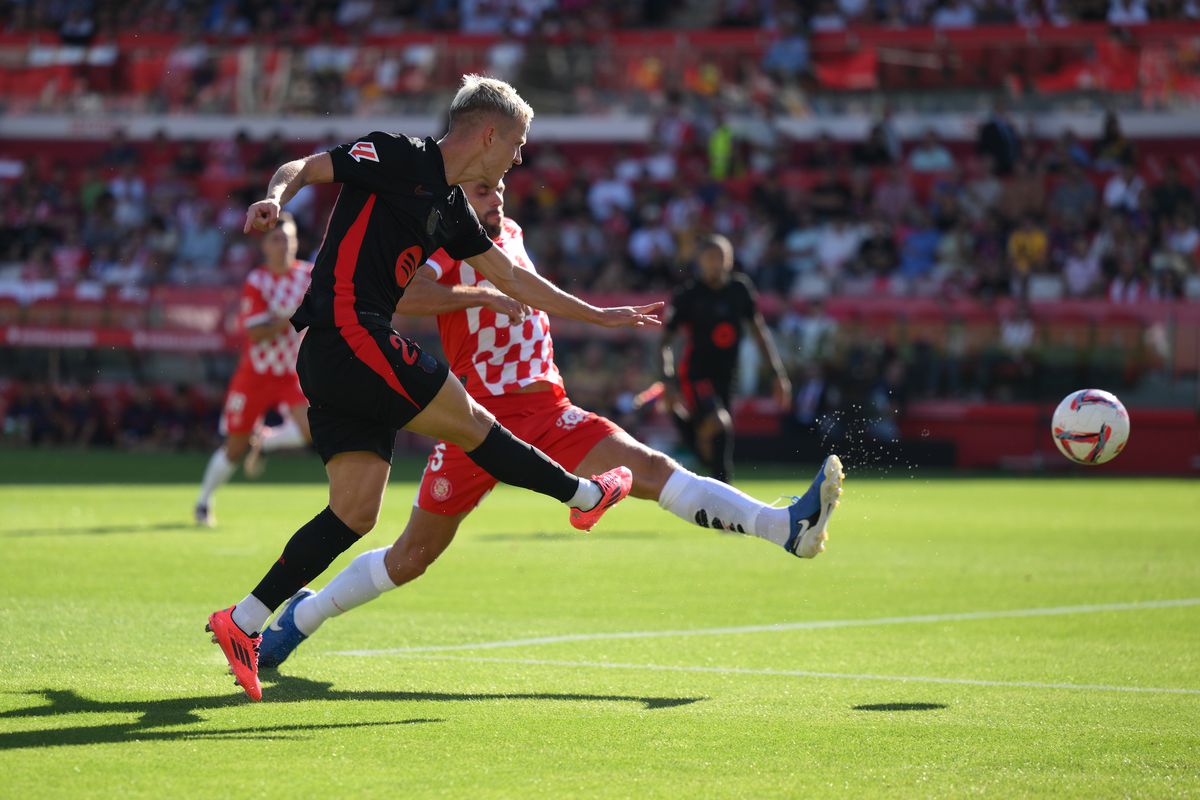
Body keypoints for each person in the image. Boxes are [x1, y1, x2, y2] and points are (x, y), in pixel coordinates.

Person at [255, 180, 845, 669]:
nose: (499, 195)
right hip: (472, 420)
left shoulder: (509, 235)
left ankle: (782, 527)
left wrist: (596, 315)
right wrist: (476, 296)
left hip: (548, 408)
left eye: (503, 186)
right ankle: (305, 616)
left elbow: (535, 292)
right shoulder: (443, 238)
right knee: (411, 557)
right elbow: (402, 292)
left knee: (653, 469)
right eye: (485, 188)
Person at [206, 75, 660, 702]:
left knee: (355, 512)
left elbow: (515, 281)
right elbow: (301, 168)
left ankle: (243, 621)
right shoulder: (397, 154)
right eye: (519, 142)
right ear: (490, 133)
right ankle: (583, 494)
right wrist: (274, 198)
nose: (521, 156)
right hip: (348, 332)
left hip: (337, 360)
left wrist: (600, 315)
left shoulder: (451, 210)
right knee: (471, 421)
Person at [194, 212, 313, 526]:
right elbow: (256, 332)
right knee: (234, 448)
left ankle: (263, 442)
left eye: (288, 237)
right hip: (255, 374)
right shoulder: (257, 280)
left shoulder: (309, 275)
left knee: (311, 430)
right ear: (265, 246)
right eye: (277, 238)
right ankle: (204, 502)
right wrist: (293, 316)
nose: (284, 244)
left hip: (290, 372)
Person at [661, 235, 792, 484]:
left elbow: (759, 333)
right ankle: (721, 480)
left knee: (720, 441)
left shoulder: (740, 290)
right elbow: (665, 342)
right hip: (696, 373)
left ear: (730, 260)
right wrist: (667, 378)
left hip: (727, 374)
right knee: (720, 423)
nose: (715, 263)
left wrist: (778, 374)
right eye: (710, 257)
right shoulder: (688, 295)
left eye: (721, 257)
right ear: (700, 261)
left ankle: (722, 489)